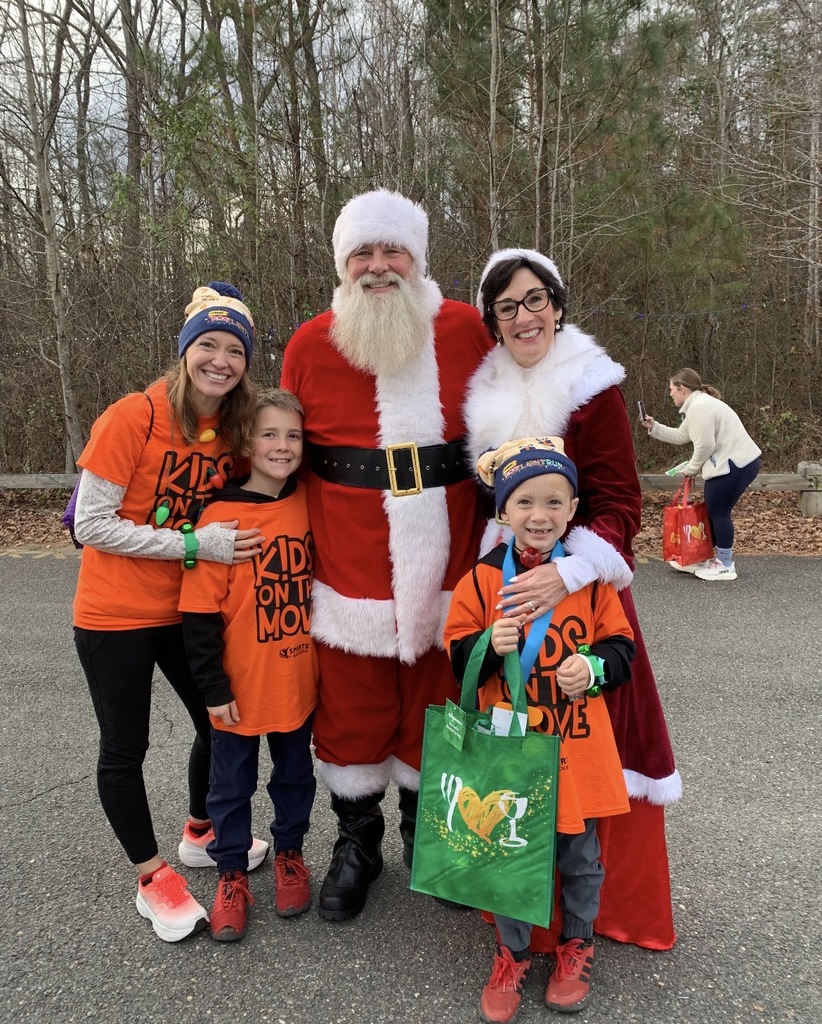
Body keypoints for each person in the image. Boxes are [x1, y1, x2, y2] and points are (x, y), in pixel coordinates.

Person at [279, 189, 493, 921]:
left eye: (391, 250)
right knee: (352, 716)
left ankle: (432, 837)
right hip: (348, 574)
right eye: (361, 254)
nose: (378, 267)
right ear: (343, 267)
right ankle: (357, 845)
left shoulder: (466, 330)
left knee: (440, 709)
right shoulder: (310, 345)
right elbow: (284, 459)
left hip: (450, 570)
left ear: (417, 257)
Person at [465, 248, 681, 953]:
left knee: (589, 741)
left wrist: (569, 572)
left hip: (579, 592)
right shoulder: (483, 394)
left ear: (557, 305)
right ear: (493, 322)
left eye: (535, 301)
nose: (524, 316)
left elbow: (619, 503)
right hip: (509, 583)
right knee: (508, 724)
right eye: (507, 306)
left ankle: (591, 915)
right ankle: (513, 902)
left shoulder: (594, 387)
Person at [72, 282, 269, 943]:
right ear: (185, 352)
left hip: (186, 610)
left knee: (221, 722)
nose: (220, 359)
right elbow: (91, 526)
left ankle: (200, 832)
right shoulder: (135, 416)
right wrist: (192, 542)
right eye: (207, 345)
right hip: (113, 613)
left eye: (233, 349)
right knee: (125, 748)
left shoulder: (233, 432)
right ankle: (153, 876)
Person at [444, 438, 635, 1021]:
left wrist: (594, 666)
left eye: (555, 502)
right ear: (503, 512)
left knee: (579, 855)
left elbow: (622, 649)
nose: (539, 515)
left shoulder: (589, 579)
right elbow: (456, 658)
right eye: (524, 502)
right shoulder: (480, 581)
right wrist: (486, 646)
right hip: (511, 753)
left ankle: (577, 943)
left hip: (574, 743)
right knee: (508, 853)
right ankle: (513, 952)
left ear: (572, 510)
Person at [179, 389, 319, 941]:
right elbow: (198, 616)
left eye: (293, 435)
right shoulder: (219, 518)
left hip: (297, 681)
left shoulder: (308, 501)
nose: (282, 446)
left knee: (295, 778)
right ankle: (231, 872)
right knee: (230, 788)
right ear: (245, 441)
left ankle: (290, 855)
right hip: (238, 690)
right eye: (269, 434)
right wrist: (212, 687)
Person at [640, 367, 761, 581]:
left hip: (734, 464)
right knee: (715, 511)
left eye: (672, 389)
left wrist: (692, 469)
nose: (670, 394)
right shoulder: (698, 405)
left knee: (719, 513)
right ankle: (703, 557)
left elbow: (705, 446)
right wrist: (654, 427)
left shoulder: (700, 407)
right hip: (737, 462)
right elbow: (680, 435)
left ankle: (724, 565)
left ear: (682, 388)